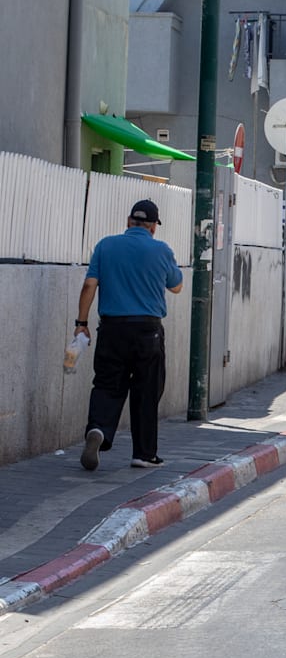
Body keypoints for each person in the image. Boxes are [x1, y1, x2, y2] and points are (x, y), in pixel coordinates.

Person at [75, 199, 184, 471]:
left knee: (107, 384)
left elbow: (90, 284)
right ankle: (144, 454)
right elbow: (177, 286)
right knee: (147, 390)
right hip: (148, 331)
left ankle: (99, 430)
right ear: (153, 227)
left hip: (112, 329)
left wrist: (81, 322)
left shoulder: (105, 245)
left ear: (128, 221)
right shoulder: (161, 250)